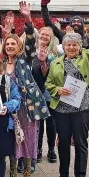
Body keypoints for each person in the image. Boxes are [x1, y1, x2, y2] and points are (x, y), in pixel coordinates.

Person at [45, 27, 89, 177]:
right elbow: (48, 83)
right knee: (63, 143)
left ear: (80, 46)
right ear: (63, 47)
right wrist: (57, 90)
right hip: (62, 110)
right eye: (68, 45)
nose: (71, 48)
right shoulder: (55, 62)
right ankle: (63, 175)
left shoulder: (87, 56)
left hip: (82, 108)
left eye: (75, 45)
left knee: (80, 142)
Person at [3, 1, 50, 177]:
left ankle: (28, 175)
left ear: (19, 46)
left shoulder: (24, 59)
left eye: (14, 43)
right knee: (13, 140)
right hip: (10, 110)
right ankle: (12, 174)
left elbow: (31, 40)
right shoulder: (0, 64)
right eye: (8, 43)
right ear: (4, 47)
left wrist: (28, 19)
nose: (11, 46)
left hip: (27, 108)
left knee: (29, 140)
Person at [31, 27, 59, 164]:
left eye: (47, 35)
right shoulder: (32, 51)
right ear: (38, 35)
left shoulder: (55, 53)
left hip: (50, 94)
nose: (44, 37)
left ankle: (52, 149)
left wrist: (44, 64)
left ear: (51, 38)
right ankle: (38, 149)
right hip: (36, 94)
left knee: (51, 124)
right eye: (42, 34)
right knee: (39, 124)